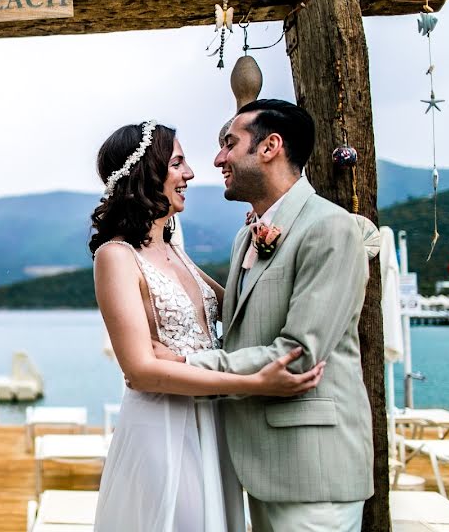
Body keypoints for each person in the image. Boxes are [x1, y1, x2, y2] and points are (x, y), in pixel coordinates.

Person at [90, 119, 326, 532]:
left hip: (212, 423)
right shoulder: (116, 256)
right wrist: (255, 384)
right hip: (164, 428)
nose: (190, 174)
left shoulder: (175, 251)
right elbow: (139, 371)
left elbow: (238, 305)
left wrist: (259, 249)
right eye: (177, 163)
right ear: (148, 172)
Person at [152, 99, 374, 531]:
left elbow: (299, 353)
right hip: (259, 466)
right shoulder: (246, 237)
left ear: (270, 146)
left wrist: (186, 364)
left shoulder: (330, 228)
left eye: (229, 144)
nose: (218, 159)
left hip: (315, 474)